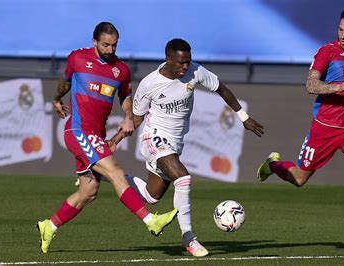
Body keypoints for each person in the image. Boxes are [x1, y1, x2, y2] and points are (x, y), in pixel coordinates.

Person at [109, 38, 264, 257]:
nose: (185, 67)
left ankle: (106, 173)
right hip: (153, 138)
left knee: (150, 196)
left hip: (175, 142)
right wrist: (115, 140)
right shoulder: (149, 84)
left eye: (188, 62)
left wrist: (244, 117)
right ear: (168, 59)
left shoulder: (195, 71)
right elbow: (135, 119)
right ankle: (188, 238)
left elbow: (221, 88)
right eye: (181, 62)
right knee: (183, 178)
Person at [36, 22, 178, 254]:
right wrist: (56, 98)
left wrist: (128, 116)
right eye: (105, 45)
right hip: (78, 130)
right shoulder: (78, 58)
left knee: (88, 192)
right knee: (116, 172)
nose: (110, 50)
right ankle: (150, 221)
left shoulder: (121, 70)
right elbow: (66, 81)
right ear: (94, 41)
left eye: (114, 45)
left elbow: (125, 96)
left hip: (96, 134)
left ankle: (48, 226)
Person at [256, 7, 344, 246]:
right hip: (324, 128)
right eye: (340, 29)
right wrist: (336, 87)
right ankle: (273, 164)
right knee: (299, 179)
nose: (343, 35)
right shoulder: (327, 52)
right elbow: (310, 84)